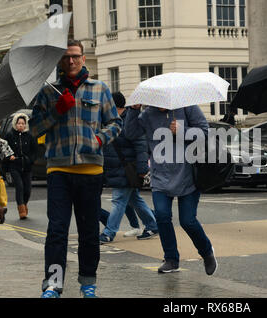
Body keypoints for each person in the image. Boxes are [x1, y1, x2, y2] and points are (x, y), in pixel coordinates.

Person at [29, 39, 122, 298]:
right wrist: (57, 111)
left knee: (89, 232)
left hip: (91, 171)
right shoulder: (48, 92)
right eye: (66, 57)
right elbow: (35, 129)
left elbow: (115, 122)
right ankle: (53, 284)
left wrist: (100, 139)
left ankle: (88, 283)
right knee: (57, 231)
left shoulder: (99, 89)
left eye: (75, 56)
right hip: (58, 170)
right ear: (60, 60)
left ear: (83, 59)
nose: (71, 61)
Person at [124, 104, 217, 276]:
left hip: (188, 174)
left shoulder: (188, 108)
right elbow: (130, 133)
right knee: (162, 216)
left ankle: (206, 252)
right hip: (161, 176)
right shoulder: (147, 114)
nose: (159, 106)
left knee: (188, 221)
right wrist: (133, 111)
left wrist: (183, 130)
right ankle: (171, 259)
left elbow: (205, 133)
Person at [99, 92, 158, 243]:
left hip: (127, 169)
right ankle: (153, 225)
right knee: (134, 200)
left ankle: (109, 232)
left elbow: (141, 147)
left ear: (115, 106)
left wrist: (142, 169)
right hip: (118, 169)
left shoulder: (130, 121)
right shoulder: (109, 121)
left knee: (118, 200)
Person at [5, 113, 38, 220]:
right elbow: (4, 148)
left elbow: (35, 151)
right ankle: (21, 209)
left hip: (27, 167)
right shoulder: (10, 135)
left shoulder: (30, 136)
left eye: (23, 123)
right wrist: (10, 157)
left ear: (26, 125)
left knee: (27, 190)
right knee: (19, 186)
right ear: (15, 124)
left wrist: (30, 160)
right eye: (19, 123)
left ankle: (24, 204)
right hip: (14, 166)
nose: (20, 125)